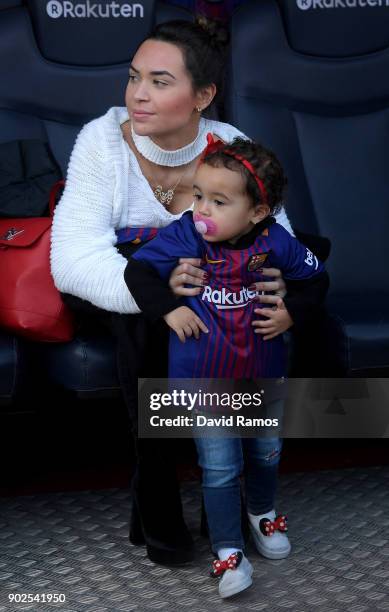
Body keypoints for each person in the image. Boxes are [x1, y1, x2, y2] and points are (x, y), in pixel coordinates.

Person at [51, 19, 296, 567]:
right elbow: (72, 261)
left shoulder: (233, 147)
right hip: (118, 286)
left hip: (208, 287)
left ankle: (235, 497)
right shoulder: (101, 140)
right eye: (134, 77)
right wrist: (162, 296)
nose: (138, 93)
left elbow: (280, 238)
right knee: (151, 324)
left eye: (160, 82)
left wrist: (276, 289)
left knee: (256, 307)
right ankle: (156, 495)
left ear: (203, 96)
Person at [124, 135, 329, 597]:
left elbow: (316, 277)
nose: (202, 210)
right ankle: (227, 551)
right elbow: (137, 271)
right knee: (218, 467)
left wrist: (292, 310)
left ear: (258, 213)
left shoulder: (277, 242)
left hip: (262, 372)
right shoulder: (184, 232)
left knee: (265, 452)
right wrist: (167, 309)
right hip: (203, 376)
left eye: (219, 201)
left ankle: (261, 513)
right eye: (198, 195)